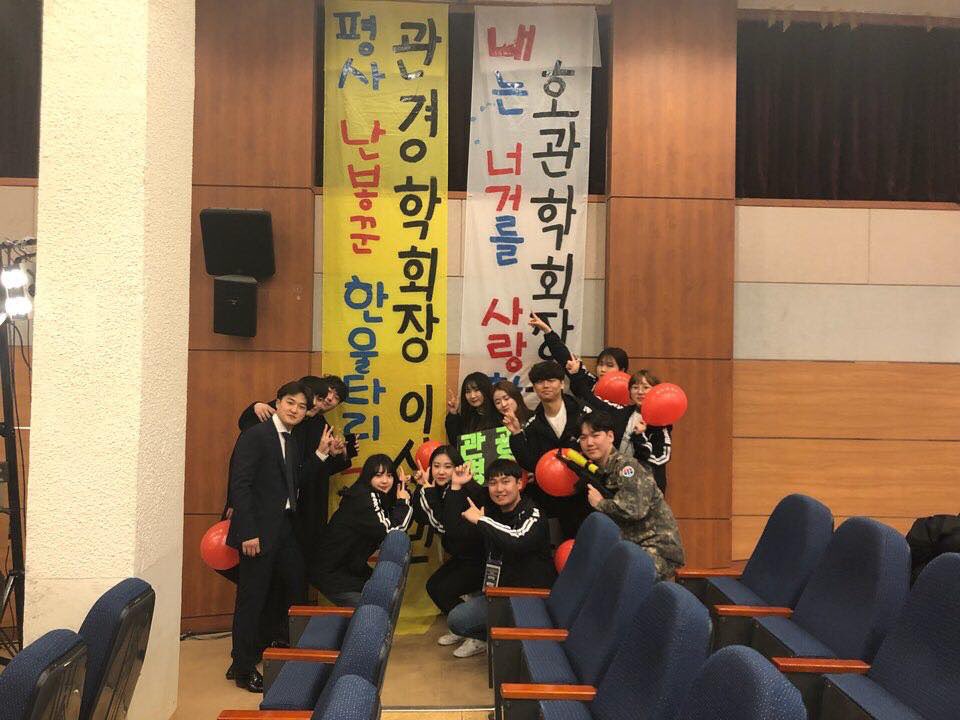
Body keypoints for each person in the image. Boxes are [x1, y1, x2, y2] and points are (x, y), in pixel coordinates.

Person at [226, 381, 334, 692]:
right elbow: (240, 485)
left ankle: (286, 647)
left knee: (296, 579)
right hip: (257, 530)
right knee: (252, 598)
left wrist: (320, 454)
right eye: (290, 403)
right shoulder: (256, 435)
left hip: (283, 527)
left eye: (301, 407)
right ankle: (243, 667)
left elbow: (294, 481)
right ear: (277, 402)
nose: (295, 410)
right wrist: (248, 532)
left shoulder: (291, 439)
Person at [444, 458, 556, 657]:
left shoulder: (533, 513)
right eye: (493, 483)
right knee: (457, 619)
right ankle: (495, 638)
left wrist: (482, 521)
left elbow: (517, 539)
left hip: (532, 596)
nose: (499, 489)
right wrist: (455, 487)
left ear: (519, 483)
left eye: (506, 482)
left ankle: (513, 638)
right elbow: (455, 531)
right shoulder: (492, 512)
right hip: (500, 593)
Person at [576, 411, 684, 580]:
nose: (589, 443)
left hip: (657, 549)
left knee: (619, 579)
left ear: (610, 436)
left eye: (595, 435)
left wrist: (600, 503)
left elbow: (634, 509)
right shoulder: (599, 470)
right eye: (583, 438)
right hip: (633, 548)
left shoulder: (627, 467)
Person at [411, 445, 487, 656]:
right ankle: (462, 627)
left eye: (447, 466)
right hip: (463, 556)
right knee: (434, 586)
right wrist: (422, 487)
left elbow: (445, 525)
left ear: (457, 467)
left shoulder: (465, 489)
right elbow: (422, 515)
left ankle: (480, 637)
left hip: (481, 559)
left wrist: (428, 490)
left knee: (444, 590)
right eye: (436, 466)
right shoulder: (441, 488)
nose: (441, 471)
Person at [309, 454, 412, 607]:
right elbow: (393, 532)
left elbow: (392, 517)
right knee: (377, 605)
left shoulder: (370, 494)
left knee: (387, 592)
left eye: (389, 475)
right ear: (368, 477)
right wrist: (403, 501)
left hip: (349, 569)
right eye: (378, 476)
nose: (385, 481)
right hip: (332, 574)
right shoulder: (364, 498)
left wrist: (403, 490)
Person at [504, 360, 590, 538]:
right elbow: (530, 463)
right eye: (539, 382)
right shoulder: (533, 424)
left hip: (585, 492)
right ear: (535, 388)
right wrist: (517, 433)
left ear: (562, 384)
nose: (545, 385)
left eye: (551, 380)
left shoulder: (582, 412)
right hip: (551, 496)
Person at [572, 368, 672, 494]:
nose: (640, 392)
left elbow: (660, 459)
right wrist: (575, 374)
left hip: (647, 488)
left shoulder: (660, 422)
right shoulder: (621, 413)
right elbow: (592, 400)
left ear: (655, 391)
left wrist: (640, 437)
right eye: (635, 387)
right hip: (619, 483)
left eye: (646, 387)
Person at [528, 313, 628, 395]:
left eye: (609, 365)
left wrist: (577, 377)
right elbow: (563, 355)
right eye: (600, 364)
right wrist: (547, 330)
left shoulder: (628, 390)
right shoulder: (590, 381)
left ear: (622, 370)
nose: (603, 369)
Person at [445, 372, 501, 447]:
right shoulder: (467, 417)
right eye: (468, 391)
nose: (472, 396)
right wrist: (453, 413)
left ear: (485, 389)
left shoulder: (499, 414)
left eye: (476, 390)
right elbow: (457, 443)